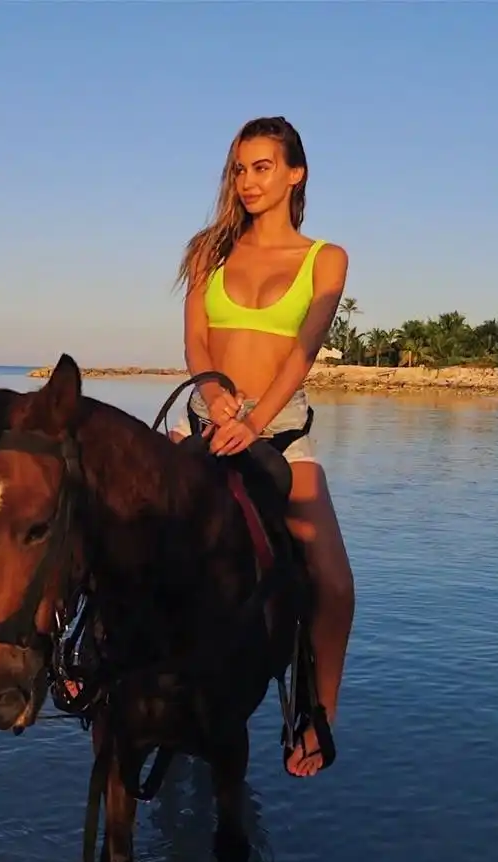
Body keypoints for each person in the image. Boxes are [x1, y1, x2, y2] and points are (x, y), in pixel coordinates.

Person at [169, 115, 356, 778]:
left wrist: (256, 421)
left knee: (333, 579)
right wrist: (211, 391)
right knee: (120, 524)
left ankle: (317, 714)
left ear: (295, 174)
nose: (248, 182)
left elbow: (303, 351)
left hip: (282, 431)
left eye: (263, 167)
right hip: (202, 421)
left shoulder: (324, 259)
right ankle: (88, 661)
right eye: (240, 169)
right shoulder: (208, 251)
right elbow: (196, 341)